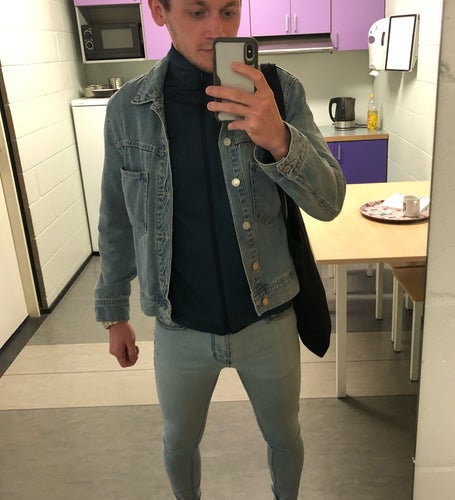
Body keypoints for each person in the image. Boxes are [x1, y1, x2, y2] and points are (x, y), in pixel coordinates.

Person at [94, 0, 346, 498]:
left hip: (268, 316)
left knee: (284, 435)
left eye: (229, 12)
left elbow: (330, 201)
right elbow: (116, 218)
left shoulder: (278, 92)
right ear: (159, 11)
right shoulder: (129, 111)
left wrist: (279, 138)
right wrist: (114, 312)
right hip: (179, 324)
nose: (216, 28)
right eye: (197, 12)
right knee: (179, 440)